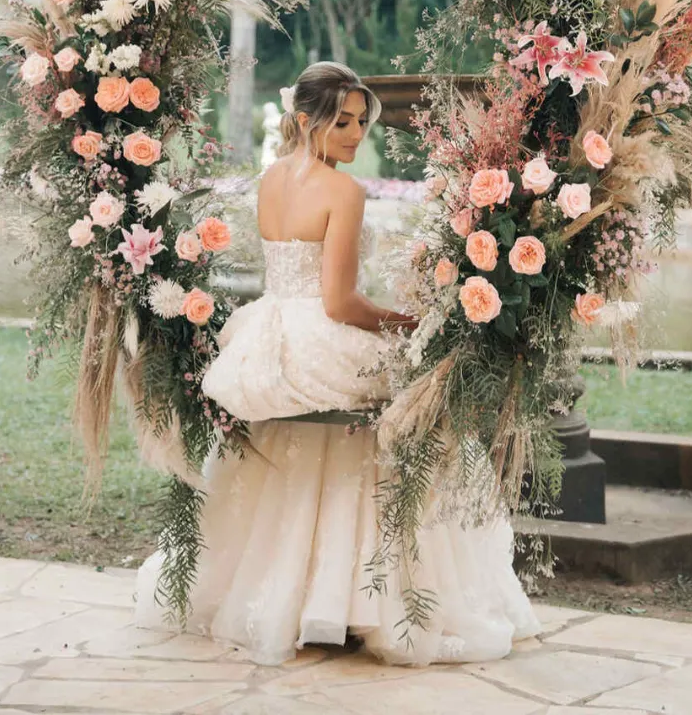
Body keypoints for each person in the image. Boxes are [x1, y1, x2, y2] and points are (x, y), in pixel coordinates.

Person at [135, 61, 540, 665]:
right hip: (318, 334)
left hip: (266, 331)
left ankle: (286, 592)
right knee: (423, 393)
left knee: (350, 409)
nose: (356, 135)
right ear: (306, 121)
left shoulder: (270, 178)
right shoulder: (344, 192)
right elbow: (341, 303)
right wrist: (411, 323)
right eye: (343, 122)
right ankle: (379, 597)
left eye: (361, 123)